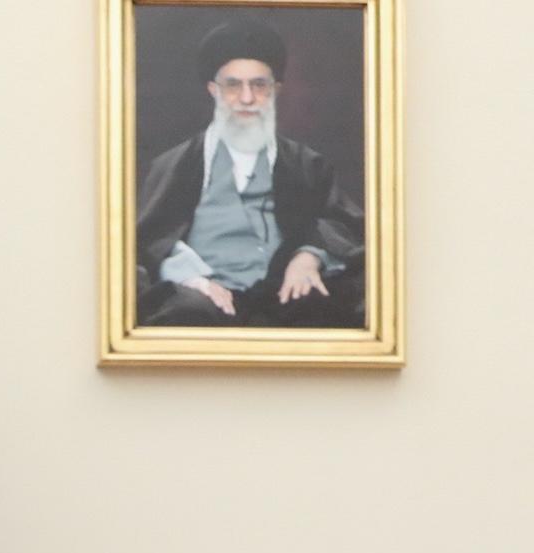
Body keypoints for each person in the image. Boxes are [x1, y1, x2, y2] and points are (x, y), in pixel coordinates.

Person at [135, 20, 367, 328]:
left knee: (327, 309)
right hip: (204, 296)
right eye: (233, 85)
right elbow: (150, 239)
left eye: (259, 85)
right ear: (214, 90)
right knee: (185, 314)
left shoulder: (305, 164)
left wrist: (309, 256)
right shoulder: (176, 164)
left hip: (281, 292)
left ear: (275, 91)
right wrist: (192, 278)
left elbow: (342, 224)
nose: (247, 98)